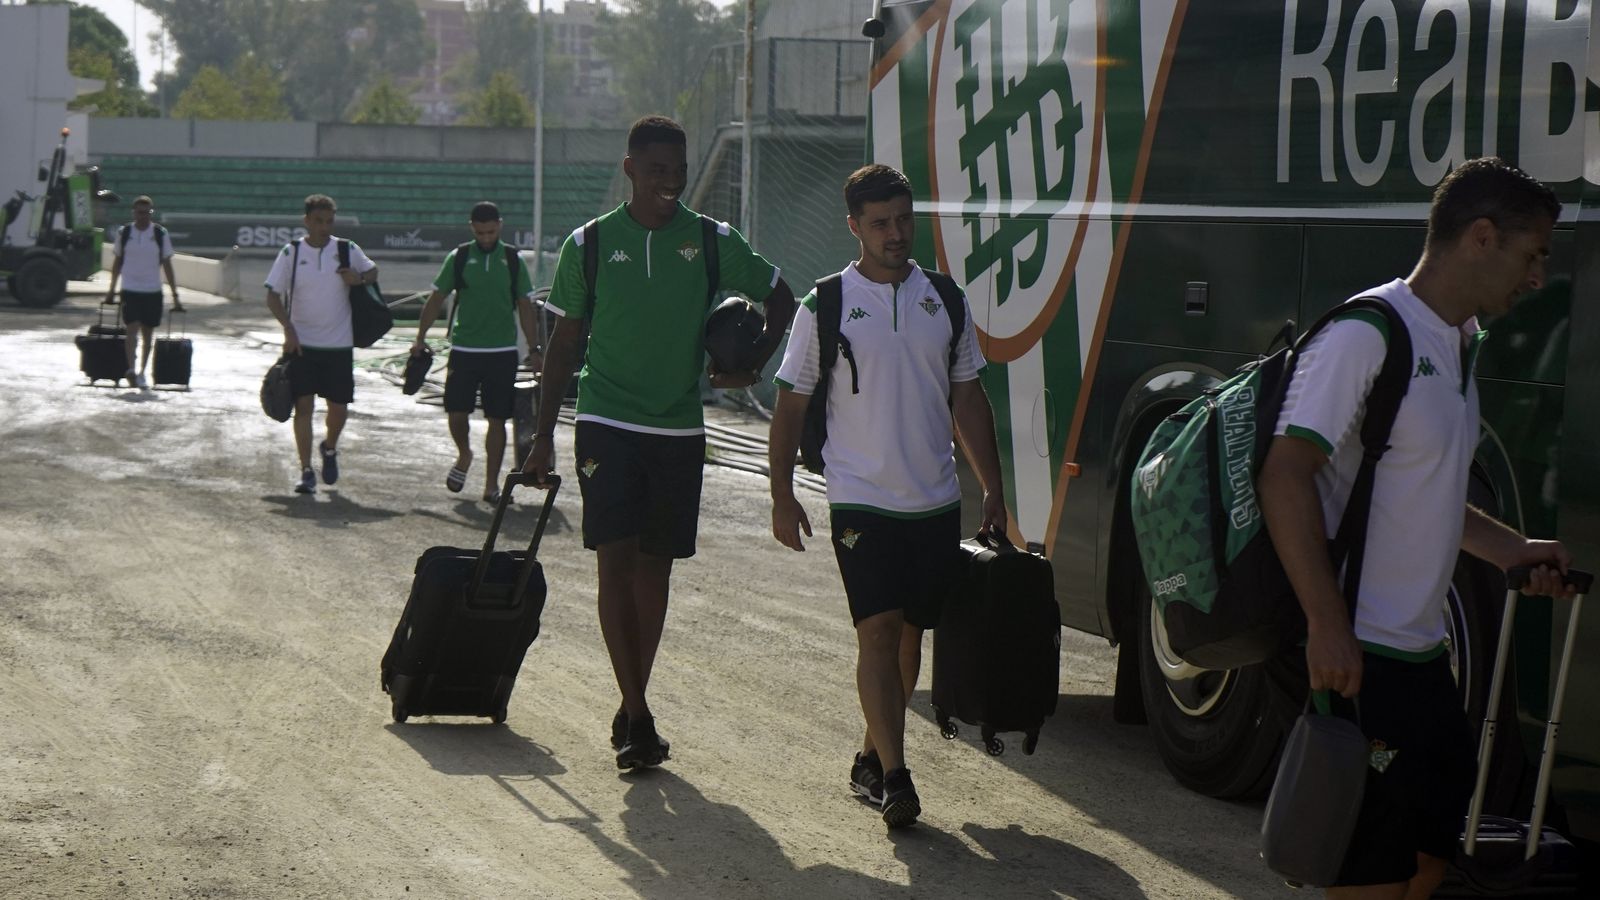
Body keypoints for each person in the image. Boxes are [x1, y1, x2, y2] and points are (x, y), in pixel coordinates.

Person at [1258, 157, 1576, 899]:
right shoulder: (1368, 333)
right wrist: (1325, 622)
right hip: (1361, 659)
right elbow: (1284, 474)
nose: (1536, 278)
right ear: (1483, 237)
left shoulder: (1460, 342)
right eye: (1533, 256)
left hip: (1423, 661)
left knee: (1427, 863)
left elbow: (1418, 492)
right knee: (1368, 877)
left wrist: (1511, 550)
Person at [521, 115, 796, 770]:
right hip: (606, 421)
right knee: (613, 561)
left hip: (677, 426)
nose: (670, 182)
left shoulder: (710, 240)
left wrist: (753, 361)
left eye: (677, 169)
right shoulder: (588, 244)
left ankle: (631, 701)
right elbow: (563, 346)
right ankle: (639, 716)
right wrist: (541, 437)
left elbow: (783, 296)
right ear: (629, 169)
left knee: (655, 567)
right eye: (656, 171)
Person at [767, 164, 1006, 828]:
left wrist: (993, 486)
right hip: (860, 497)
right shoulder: (826, 305)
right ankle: (899, 778)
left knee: (908, 639)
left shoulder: (946, 300)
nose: (895, 234)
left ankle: (873, 756)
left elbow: (968, 397)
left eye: (903, 220)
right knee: (876, 631)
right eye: (880, 223)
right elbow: (791, 407)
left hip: (932, 498)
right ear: (855, 227)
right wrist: (781, 492)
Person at [410, 202, 541, 503]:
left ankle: (491, 486)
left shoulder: (512, 259)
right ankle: (464, 454)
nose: (485, 238)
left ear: (500, 226)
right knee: (456, 412)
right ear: (472, 227)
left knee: (497, 418)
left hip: (502, 351)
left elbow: (525, 305)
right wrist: (420, 337)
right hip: (464, 349)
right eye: (480, 232)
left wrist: (534, 349)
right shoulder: (458, 257)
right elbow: (436, 298)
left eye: (491, 232)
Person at [264, 194, 379, 495]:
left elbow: (373, 271)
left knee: (338, 409)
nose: (324, 227)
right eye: (318, 221)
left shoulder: (346, 249)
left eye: (329, 221)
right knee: (304, 407)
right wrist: (288, 330)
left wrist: (359, 279)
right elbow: (272, 295)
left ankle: (329, 448)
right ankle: (305, 471)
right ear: (306, 221)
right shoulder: (291, 253)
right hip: (302, 346)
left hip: (339, 345)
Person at [103, 195, 181, 388]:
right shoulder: (125, 232)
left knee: (148, 333)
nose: (143, 216)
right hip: (130, 289)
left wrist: (175, 295)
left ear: (151, 213)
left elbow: (167, 265)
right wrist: (112, 289)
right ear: (133, 213)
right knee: (131, 328)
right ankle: (131, 368)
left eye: (147, 213)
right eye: (139, 212)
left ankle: (142, 372)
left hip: (152, 290)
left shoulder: (160, 234)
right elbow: (117, 261)